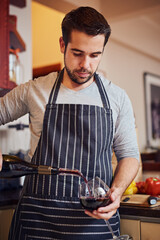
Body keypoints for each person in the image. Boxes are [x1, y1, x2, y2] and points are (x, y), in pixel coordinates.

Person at [0, 6, 139, 240]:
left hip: (94, 223)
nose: (86, 64)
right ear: (63, 45)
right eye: (77, 53)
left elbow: (130, 155)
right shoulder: (34, 90)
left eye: (95, 55)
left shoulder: (117, 98)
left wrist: (116, 192)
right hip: (37, 222)